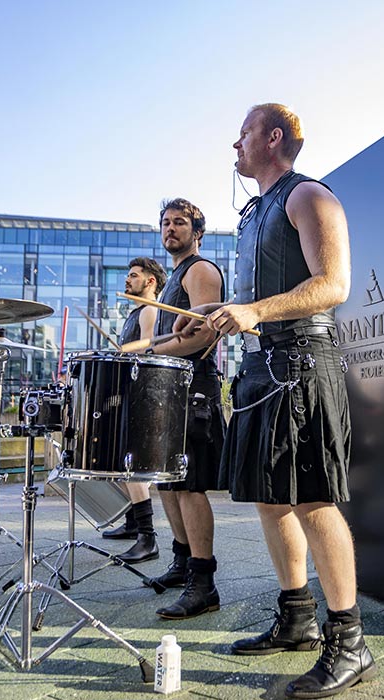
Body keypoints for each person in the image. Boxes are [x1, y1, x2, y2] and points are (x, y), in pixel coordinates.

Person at [177, 104, 373, 698]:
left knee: (314, 500)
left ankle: (351, 642)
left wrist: (255, 311)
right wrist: (224, 314)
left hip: (304, 363)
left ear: (273, 138)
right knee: (270, 499)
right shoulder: (255, 211)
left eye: (242, 133)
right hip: (262, 369)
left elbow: (333, 285)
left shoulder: (308, 195)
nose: (234, 144)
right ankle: (297, 618)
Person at [146, 198, 227, 620]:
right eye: (165, 222)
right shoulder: (174, 277)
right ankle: (181, 561)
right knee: (168, 483)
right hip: (168, 388)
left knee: (191, 485)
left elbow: (203, 336)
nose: (170, 228)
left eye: (179, 222)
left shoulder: (200, 271)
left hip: (193, 386)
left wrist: (153, 347)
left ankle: (204, 581)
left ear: (197, 231)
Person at [101, 257, 167, 566]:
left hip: (143, 394)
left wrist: (124, 354)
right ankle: (131, 524)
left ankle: (147, 537)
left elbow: (150, 347)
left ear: (150, 282)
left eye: (133, 275)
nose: (128, 280)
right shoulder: (136, 312)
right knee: (123, 462)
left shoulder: (151, 310)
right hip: (130, 390)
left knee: (134, 465)